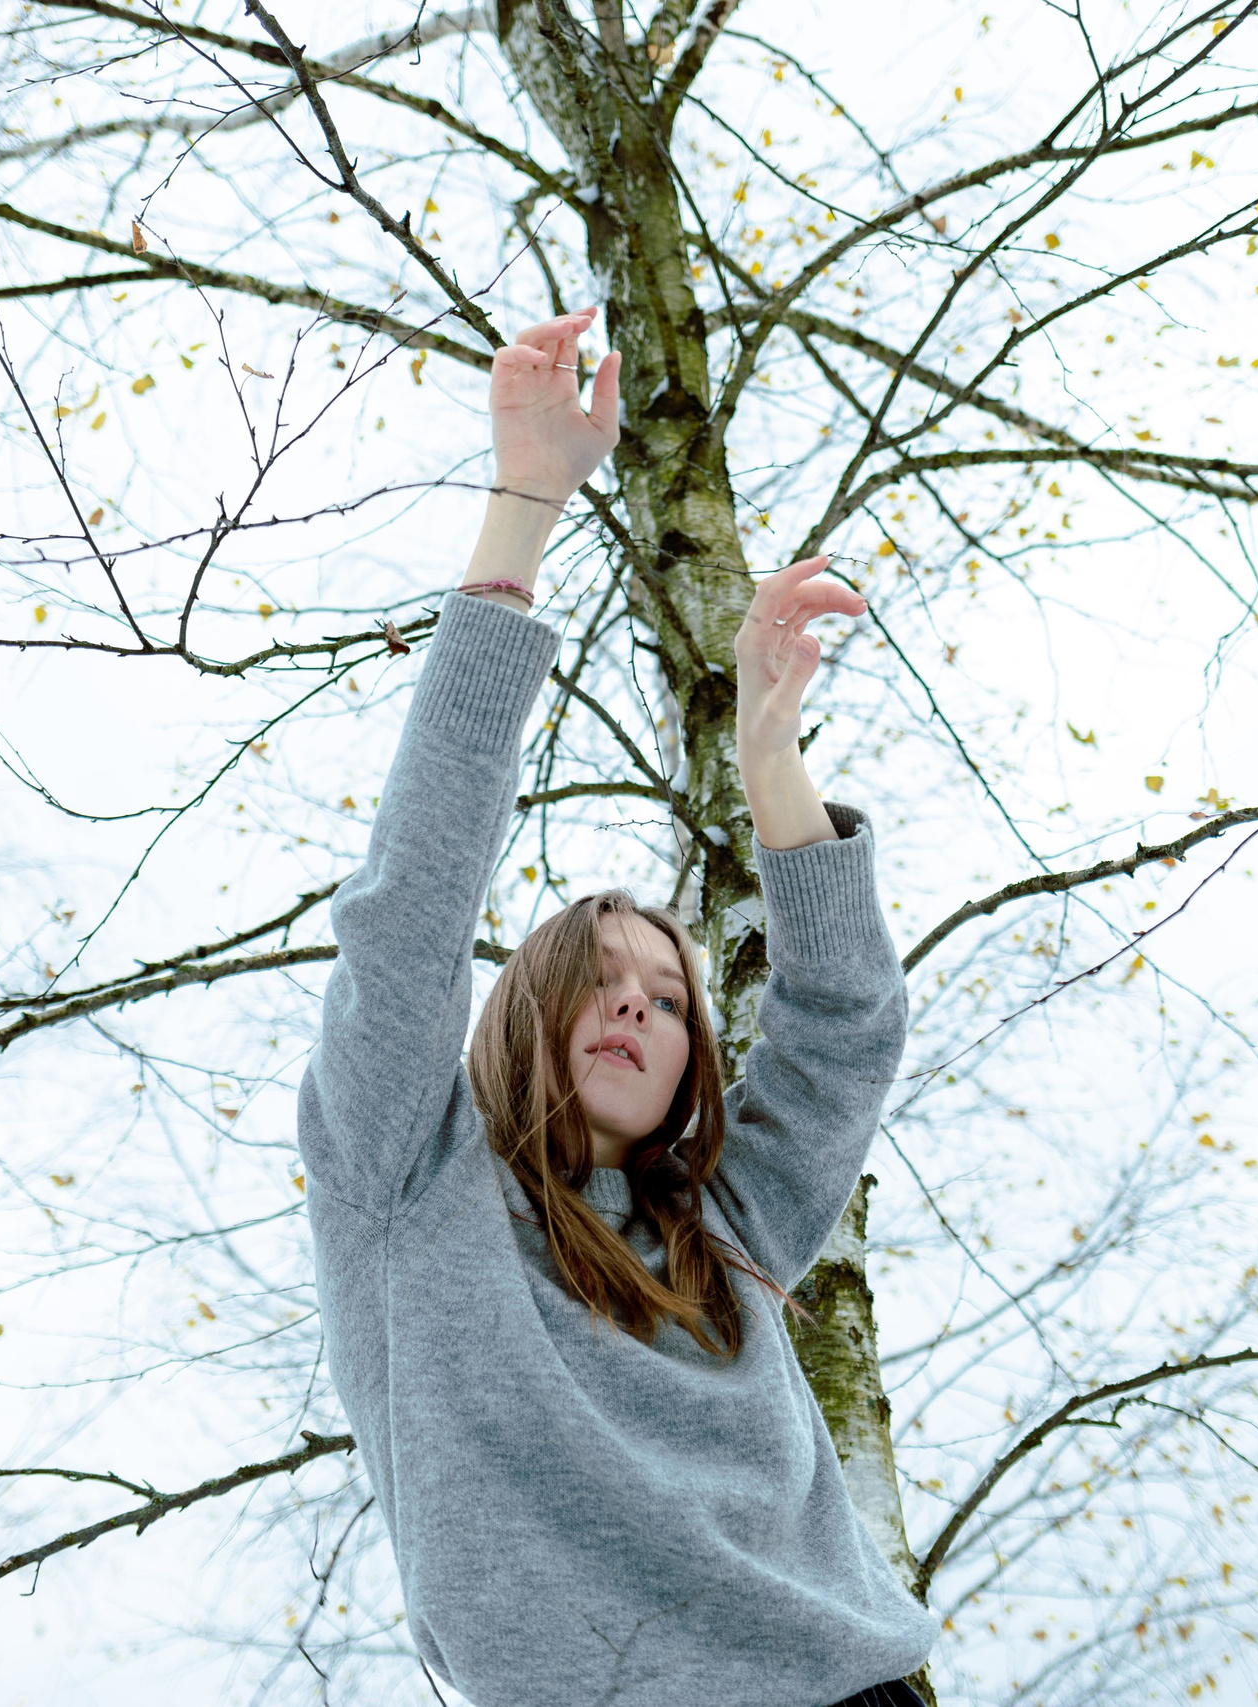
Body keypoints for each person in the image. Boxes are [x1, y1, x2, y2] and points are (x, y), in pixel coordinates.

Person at [297, 305, 939, 1707]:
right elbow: (408, 912)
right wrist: (524, 505)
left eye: (668, 998)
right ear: (523, 1014)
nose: (637, 1008)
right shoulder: (404, 1184)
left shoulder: (730, 1226)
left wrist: (770, 753)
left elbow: (843, 1031)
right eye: (599, 980)